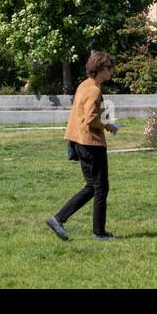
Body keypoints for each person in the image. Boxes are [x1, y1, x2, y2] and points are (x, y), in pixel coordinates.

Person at [47, 50, 119, 242]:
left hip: (80, 141)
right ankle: (98, 232)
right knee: (100, 187)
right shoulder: (94, 90)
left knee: (92, 187)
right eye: (110, 68)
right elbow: (90, 119)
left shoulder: (84, 85)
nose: (112, 71)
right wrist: (109, 125)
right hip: (91, 143)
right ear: (101, 69)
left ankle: (59, 219)